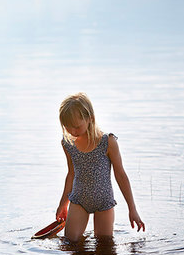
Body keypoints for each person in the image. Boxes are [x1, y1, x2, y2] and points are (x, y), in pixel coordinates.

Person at [56, 92, 145, 242]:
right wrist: (62, 204)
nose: (73, 131)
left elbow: (121, 175)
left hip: (103, 202)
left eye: (77, 126)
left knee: (105, 246)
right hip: (79, 200)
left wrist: (132, 209)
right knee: (70, 242)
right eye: (68, 127)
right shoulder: (68, 143)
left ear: (90, 118)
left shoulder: (108, 142)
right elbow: (71, 174)